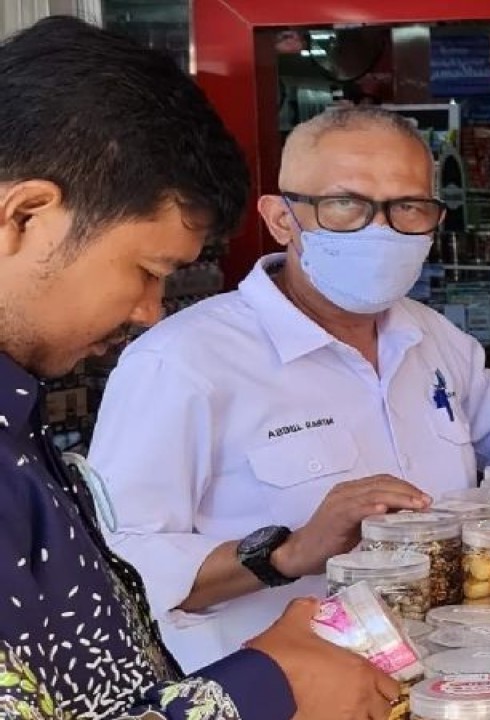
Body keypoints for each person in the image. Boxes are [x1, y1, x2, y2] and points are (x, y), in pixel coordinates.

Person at [87, 107, 490, 672]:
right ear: (283, 219)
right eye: (345, 205)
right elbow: (115, 564)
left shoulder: (430, 334)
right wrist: (289, 551)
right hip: (286, 695)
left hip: (449, 678)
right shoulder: (182, 362)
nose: (379, 230)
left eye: (408, 207)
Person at [0, 17, 399, 720]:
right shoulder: (174, 362)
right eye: (147, 271)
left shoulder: (22, 423)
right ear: (26, 215)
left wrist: (268, 652)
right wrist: (267, 688)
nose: (151, 311)